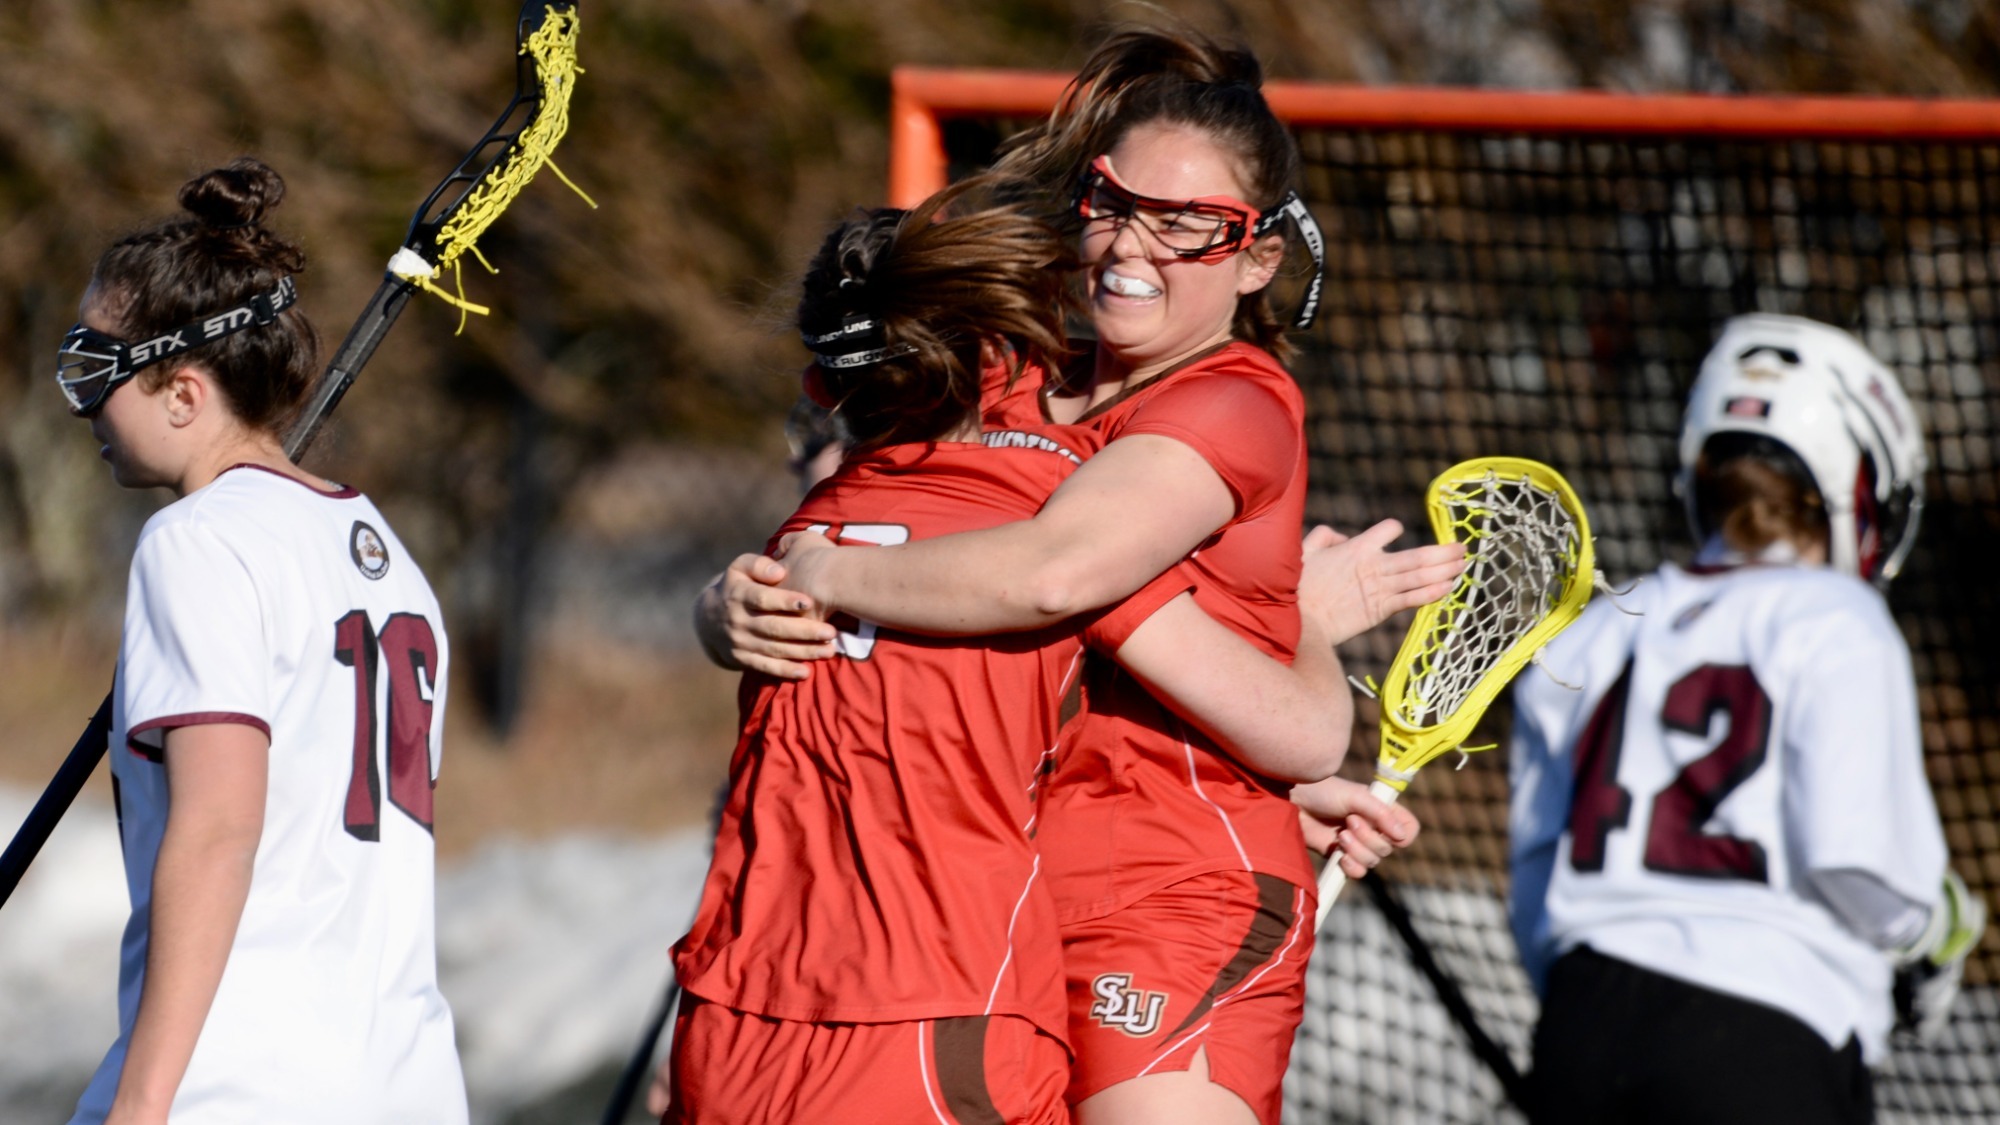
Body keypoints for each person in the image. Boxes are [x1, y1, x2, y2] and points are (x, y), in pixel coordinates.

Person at [695, 27, 1460, 1125]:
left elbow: (1055, 575)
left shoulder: (1232, 401)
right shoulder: (1024, 381)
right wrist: (732, 603)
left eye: (1190, 224)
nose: (1133, 247)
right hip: (1006, 892)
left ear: (1255, 260)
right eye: (1114, 202)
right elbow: (852, 493)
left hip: (1167, 896)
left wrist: (827, 571)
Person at [57, 159, 466, 1125]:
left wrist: (142, 1103)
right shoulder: (381, 550)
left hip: (240, 1084)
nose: (85, 412)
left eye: (97, 374)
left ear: (185, 394)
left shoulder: (196, 541)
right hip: (406, 1082)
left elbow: (218, 828)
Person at [1507, 314, 1985, 1125]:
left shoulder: (1594, 629)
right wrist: (1934, 927)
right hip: (1763, 1038)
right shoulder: (1839, 618)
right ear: (1854, 477)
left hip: (1582, 1032)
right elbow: (1857, 860)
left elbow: (1533, 879)